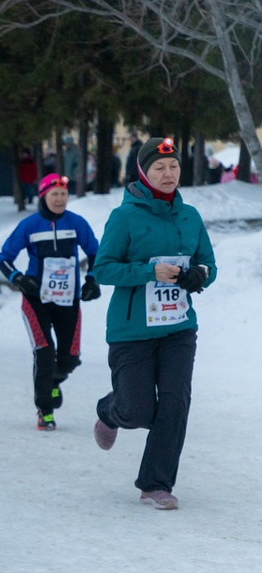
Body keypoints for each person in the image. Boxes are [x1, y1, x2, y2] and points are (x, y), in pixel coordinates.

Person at [91, 136, 216, 510]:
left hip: (179, 328)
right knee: (137, 410)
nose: (168, 173)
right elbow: (103, 269)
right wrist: (149, 272)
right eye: (159, 167)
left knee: (175, 403)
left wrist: (199, 275)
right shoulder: (125, 216)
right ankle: (109, 411)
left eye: (174, 166)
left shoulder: (190, 216)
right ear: (143, 173)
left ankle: (156, 483)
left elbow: (208, 264)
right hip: (132, 330)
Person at [0, 172, 101, 430]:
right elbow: (4, 259)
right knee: (44, 353)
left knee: (70, 358)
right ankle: (45, 411)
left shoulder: (76, 223)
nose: (60, 199)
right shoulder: (30, 225)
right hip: (36, 299)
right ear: (43, 196)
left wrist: (92, 280)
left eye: (64, 194)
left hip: (68, 299)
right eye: (54, 194)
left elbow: (96, 253)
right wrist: (20, 279)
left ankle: (54, 381)